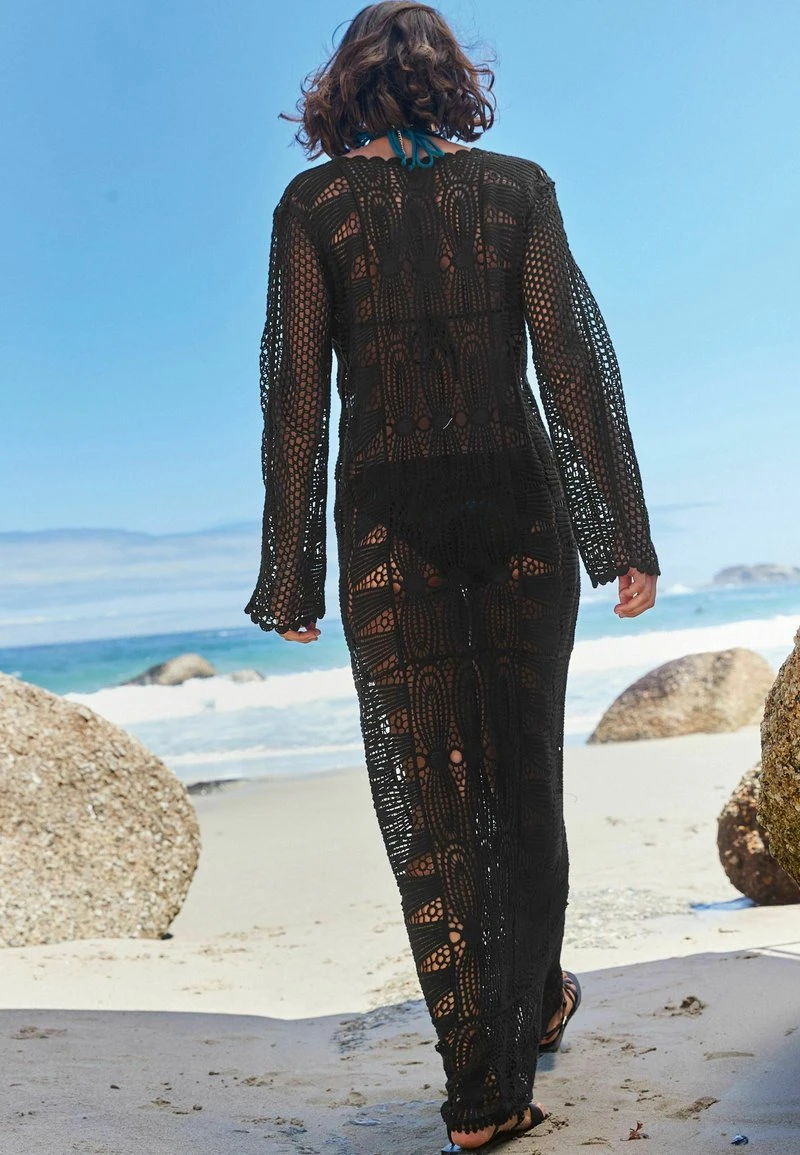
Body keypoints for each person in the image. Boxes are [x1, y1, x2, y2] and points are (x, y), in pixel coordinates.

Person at [244, 2, 660, 1149]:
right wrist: (619, 535)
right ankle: (526, 1014)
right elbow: (572, 363)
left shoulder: (314, 206)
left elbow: (294, 397)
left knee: (429, 800)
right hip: (520, 517)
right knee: (521, 780)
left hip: (390, 533)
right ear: (452, 86)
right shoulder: (517, 188)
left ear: (343, 90)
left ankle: (482, 1087)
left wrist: (290, 576)